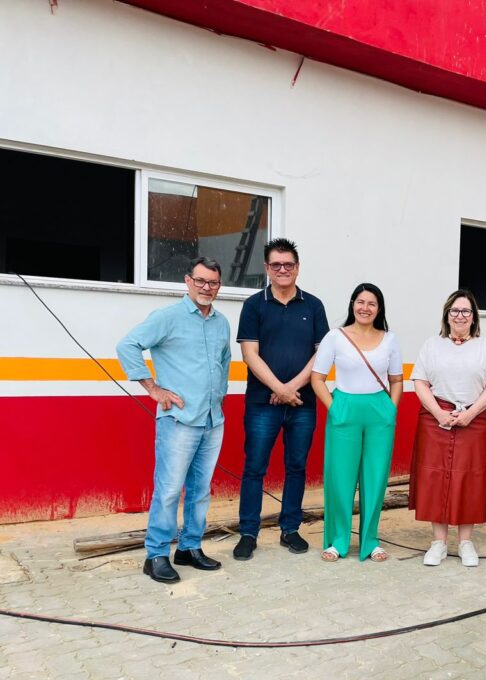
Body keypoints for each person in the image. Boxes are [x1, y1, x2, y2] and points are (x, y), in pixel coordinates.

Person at [116, 257, 232, 584]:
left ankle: (190, 547)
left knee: (200, 490)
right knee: (168, 490)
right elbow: (127, 346)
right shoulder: (168, 317)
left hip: (212, 420)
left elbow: (224, 361)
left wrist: (218, 396)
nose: (206, 287)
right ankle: (156, 555)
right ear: (188, 281)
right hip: (179, 420)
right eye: (201, 281)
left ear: (219, 286)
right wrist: (153, 389)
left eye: (213, 282)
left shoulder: (221, 323)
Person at [233, 238, 329, 561]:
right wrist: (279, 388)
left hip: (302, 404)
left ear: (297, 268)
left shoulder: (313, 306)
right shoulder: (253, 305)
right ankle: (248, 533)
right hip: (262, 403)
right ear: (267, 268)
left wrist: (291, 389)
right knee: (254, 468)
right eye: (276, 264)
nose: (283, 269)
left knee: (296, 467)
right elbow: (250, 354)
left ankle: (290, 529)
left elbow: (321, 355)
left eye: (289, 264)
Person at [409, 289, 486, 567]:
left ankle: (465, 542)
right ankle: (438, 543)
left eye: (465, 311)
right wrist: (438, 412)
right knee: (435, 477)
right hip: (436, 417)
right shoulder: (432, 345)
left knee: (470, 478)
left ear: (473, 316)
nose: (460, 316)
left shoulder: (485, 347)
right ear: (446, 315)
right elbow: (420, 382)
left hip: (474, 419)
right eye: (454, 310)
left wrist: (471, 414)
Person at [311, 283, 403, 562]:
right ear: (352, 304)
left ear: (379, 308)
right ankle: (337, 541)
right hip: (345, 407)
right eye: (360, 302)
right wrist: (334, 408)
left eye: (372, 303)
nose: (365, 308)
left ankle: (370, 541)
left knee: (376, 477)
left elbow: (396, 380)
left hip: (379, 411)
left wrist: (390, 409)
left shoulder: (389, 339)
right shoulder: (335, 337)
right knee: (340, 477)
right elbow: (317, 377)